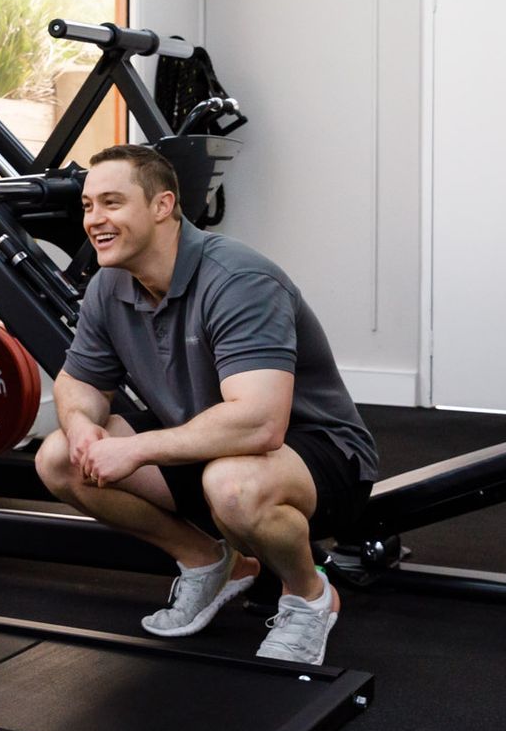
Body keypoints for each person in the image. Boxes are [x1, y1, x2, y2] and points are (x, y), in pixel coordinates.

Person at [35, 144, 378, 665]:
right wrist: (82, 426)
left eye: (111, 202)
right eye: (87, 205)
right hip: (206, 446)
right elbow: (77, 383)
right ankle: (212, 562)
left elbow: (260, 423)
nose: (94, 220)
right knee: (59, 456)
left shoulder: (238, 280)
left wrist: (136, 450)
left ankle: (309, 595)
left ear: (162, 205)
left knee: (232, 485)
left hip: (319, 455)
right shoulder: (110, 285)